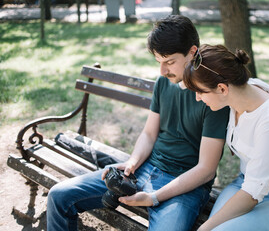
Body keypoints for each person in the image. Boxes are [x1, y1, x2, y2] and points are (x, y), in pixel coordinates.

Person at [46, 15, 229, 231]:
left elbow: (206, 170)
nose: (162, 71)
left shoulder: (213, 96)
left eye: (170, 62)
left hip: (185, 186)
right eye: (159, 62)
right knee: (58, 196)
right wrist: (132, 162)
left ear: (192, 52)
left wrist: (153, 197)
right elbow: (149, 134)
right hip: (146, 168)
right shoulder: (164, 82)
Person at [183, 44, 269, 231]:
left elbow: (253, 193)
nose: (197, 98)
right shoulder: (240, 92)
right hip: (243, 184)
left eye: (200, 92)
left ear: (221, 89)